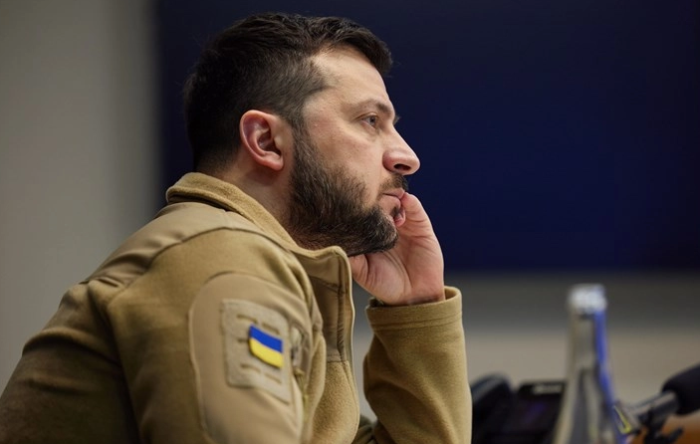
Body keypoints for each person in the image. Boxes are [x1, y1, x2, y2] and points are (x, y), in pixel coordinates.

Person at [0, 12, 470, 444]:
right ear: (266, 141)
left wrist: (417, 308)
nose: (407, 156)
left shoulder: (251, 259)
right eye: (370, 121)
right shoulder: (220, 259)